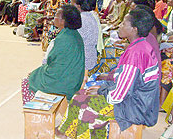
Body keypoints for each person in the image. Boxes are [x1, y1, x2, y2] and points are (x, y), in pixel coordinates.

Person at [58, 8, 160, 138]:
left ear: (134, 29)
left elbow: (118, 96)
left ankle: (83, 135)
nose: (120, 26)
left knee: (86, 108)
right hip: (136, 100)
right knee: (79, 96)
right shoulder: (141, 45)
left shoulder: (136, 53)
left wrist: (101, 91)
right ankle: (67, 133)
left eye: (124, 23)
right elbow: (125, 79)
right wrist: (102, 87)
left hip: (135, 107)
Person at [21, 5, 84, 105]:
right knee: (36, 74)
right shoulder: (73, 34)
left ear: (63, 21)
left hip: (64, 82)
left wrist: (36, 73)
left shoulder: (63, 38)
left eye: (55, 16)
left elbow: (51, 61)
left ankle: (35, 110)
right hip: (73, 78)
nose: (53, 17)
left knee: (27, 82)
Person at [72, 0, 99, 87]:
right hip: (90, 55)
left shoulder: (81, 20)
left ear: (78, 6)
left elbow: (73, 42)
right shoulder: (92, 15)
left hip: (82, 60)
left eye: (72, 4)